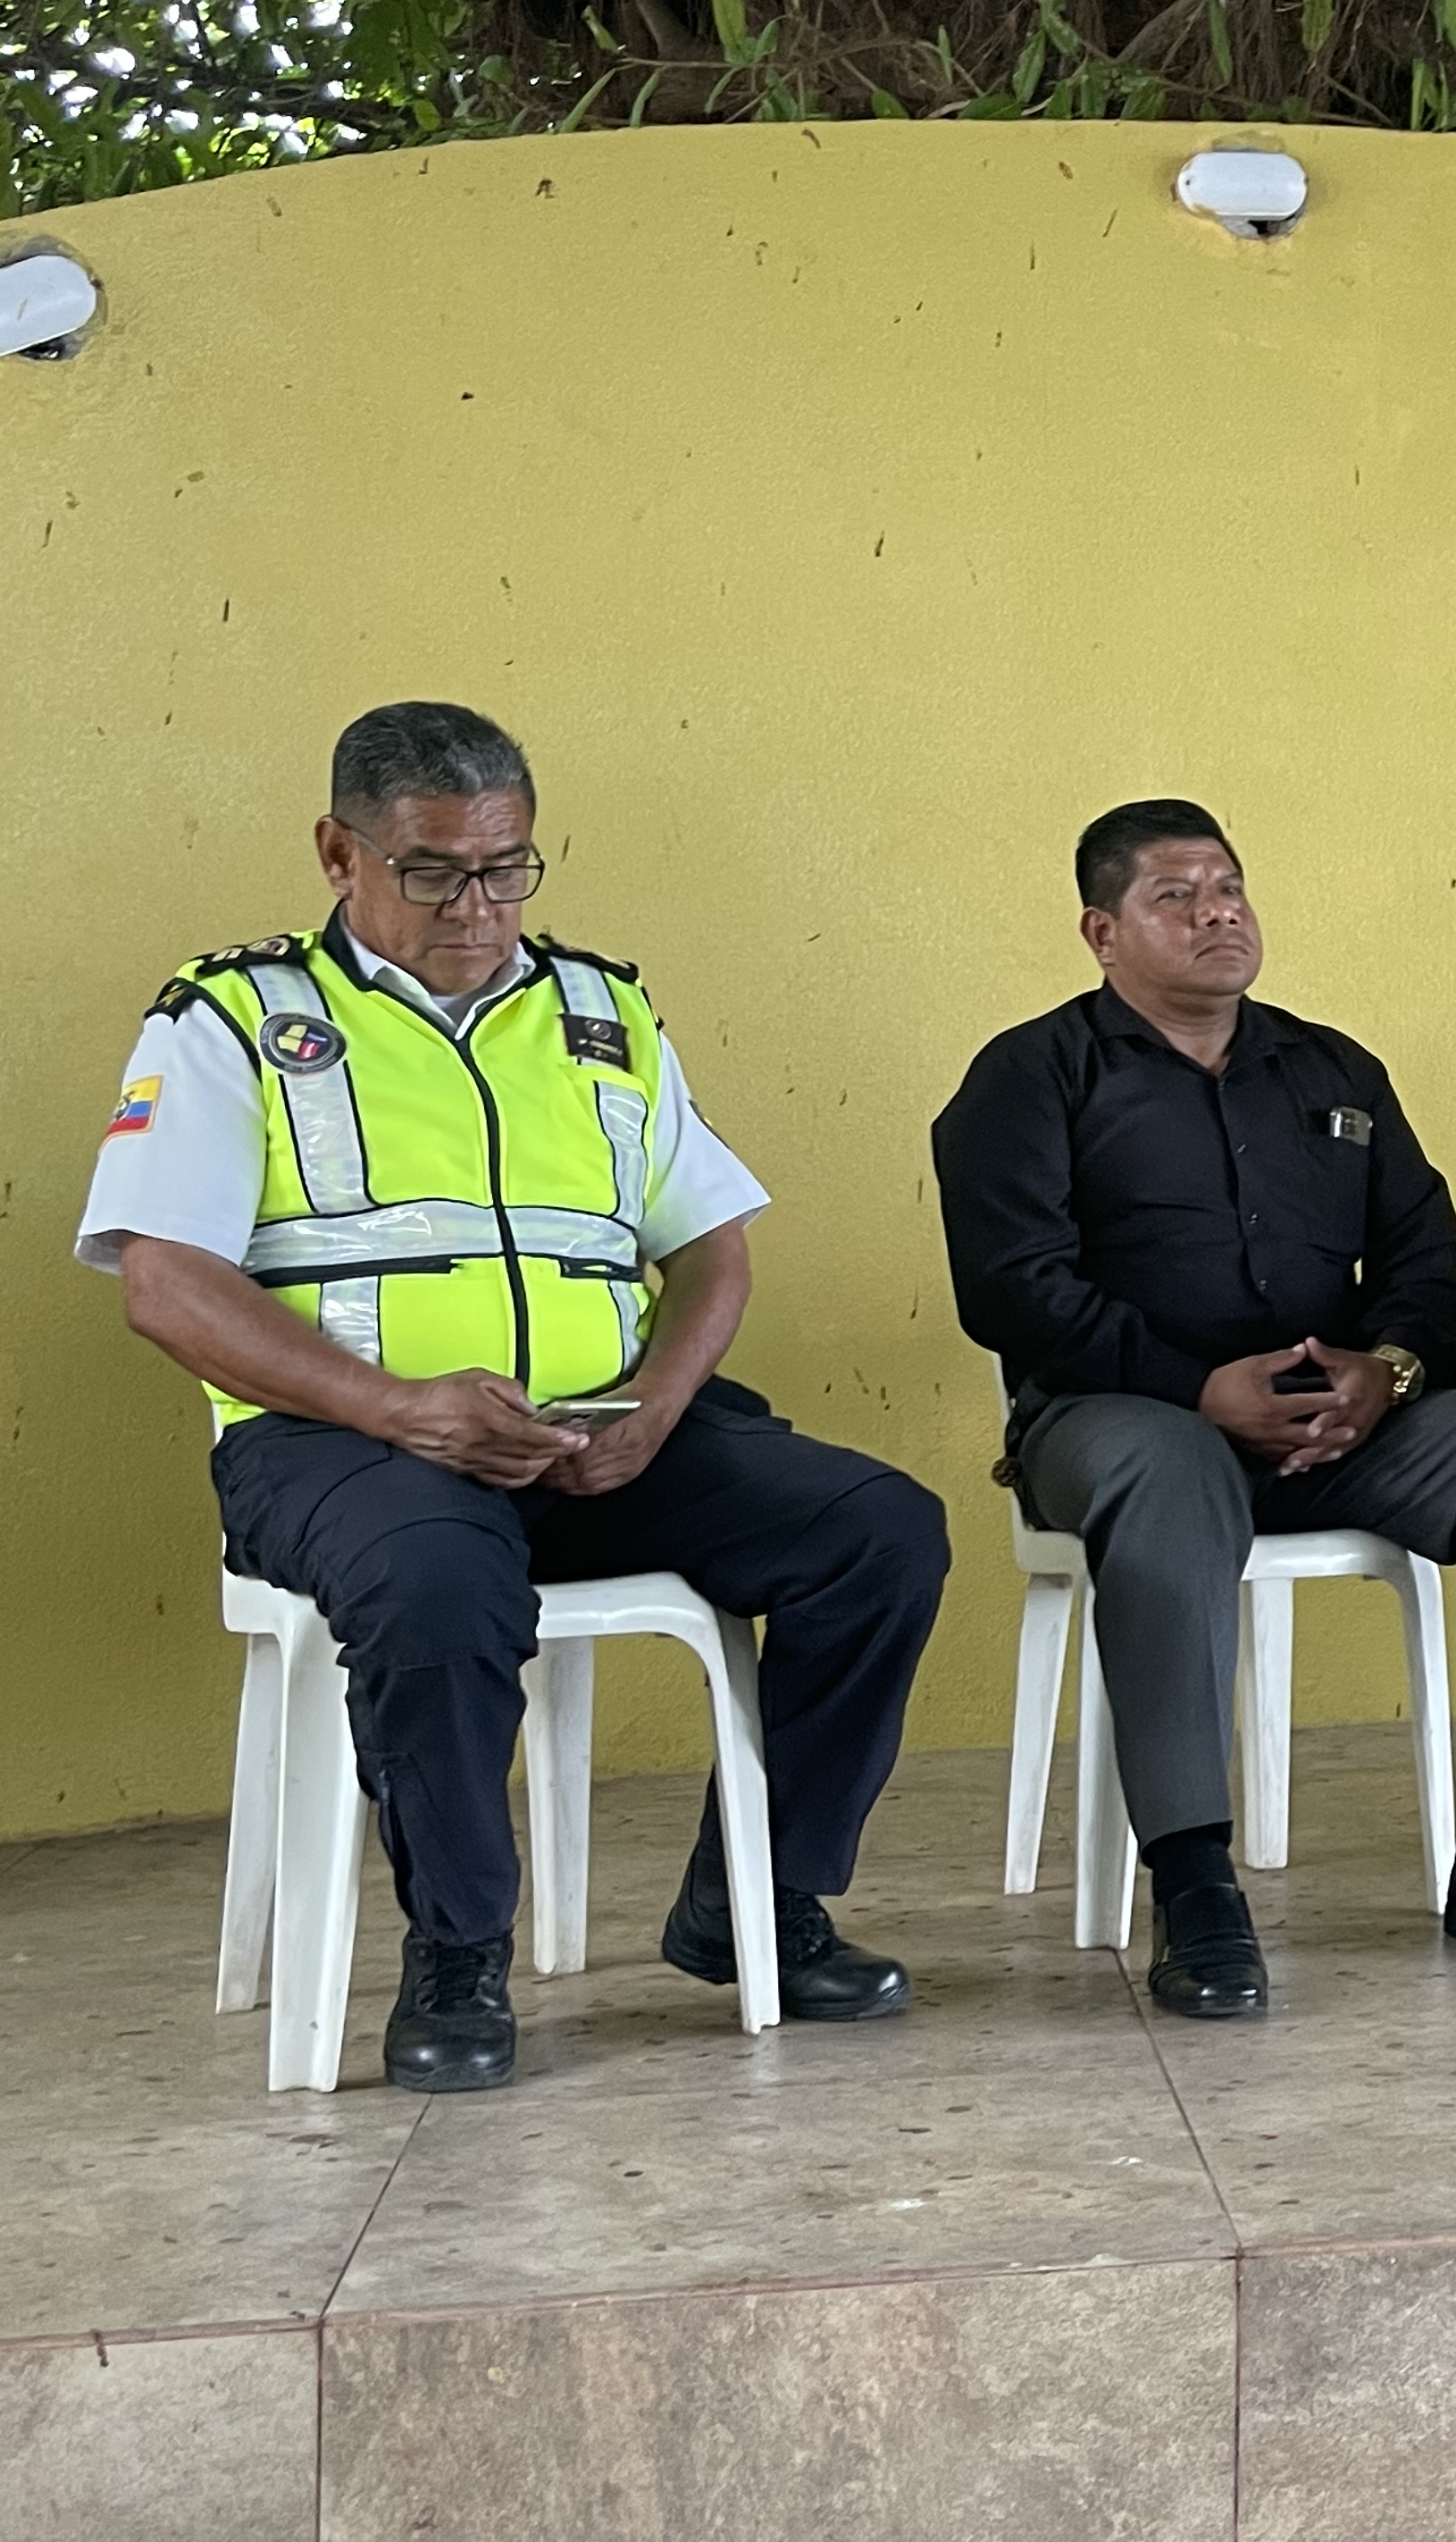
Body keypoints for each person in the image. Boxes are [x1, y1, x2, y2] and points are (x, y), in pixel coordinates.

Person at [80, 702, 946, 2093]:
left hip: (597, 1432)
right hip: (344, 1446)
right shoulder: (233, 1018)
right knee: (436, 1589)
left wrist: (655, 1405)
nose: (477, 907)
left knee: (879, 1532)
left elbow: (710, 1246)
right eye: (432, 871)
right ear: (339, 854)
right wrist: (400, 1410)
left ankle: (757, 1906)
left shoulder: (602, 1010)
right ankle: (459, 1948)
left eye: (506, 868)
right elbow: (166, 1285)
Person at [932, 799, 1456, 2018]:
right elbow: (1012, 1289)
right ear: (1103, 933)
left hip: (1337, 1427)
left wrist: (1391, 1372)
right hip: (1118, 1421)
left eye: (1228, 888)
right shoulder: (1032, 1075)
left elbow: (1424, 1252)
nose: (1217, 913)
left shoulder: (1332, 1069)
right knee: (1169, 1468)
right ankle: (1194, 1881)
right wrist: (1196, 1389)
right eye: (1176, 896)